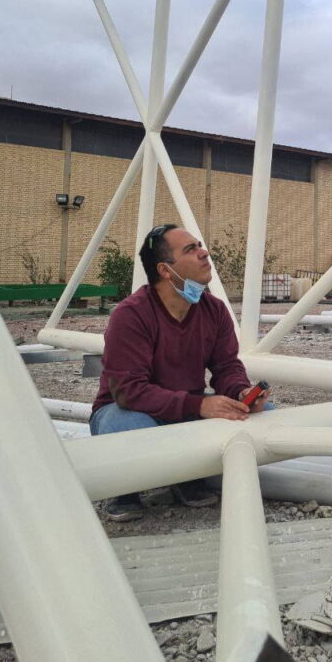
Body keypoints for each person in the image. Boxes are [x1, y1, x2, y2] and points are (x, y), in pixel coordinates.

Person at [91, 223, 267, 522]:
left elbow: (226, 367)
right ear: (165, 270)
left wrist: (240, 392)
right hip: (129, 411)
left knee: (265, 415)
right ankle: (125, 489)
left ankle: (186, 477)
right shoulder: (131, 315)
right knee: (132, 427)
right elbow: (128, 390)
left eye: (199, 245)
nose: (204, 253)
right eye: (191, 249)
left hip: (186, 412)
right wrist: (198, 404)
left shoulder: (214, 310)